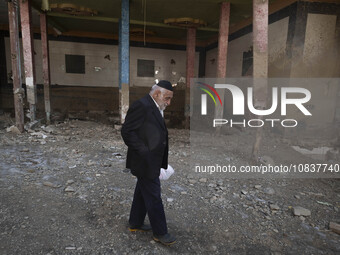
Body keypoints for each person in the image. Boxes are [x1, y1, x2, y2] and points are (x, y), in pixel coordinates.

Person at [121, 80, 176, 246]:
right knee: (153, 196)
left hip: (150, 161)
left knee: (142, 190)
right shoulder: (142, 105)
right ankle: (160, 233)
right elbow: (127, 132)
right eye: (167, 98)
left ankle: (135, 223)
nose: (169, 102)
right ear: (157, 93)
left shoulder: (155, 106)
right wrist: (145, 152)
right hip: (145, 161)